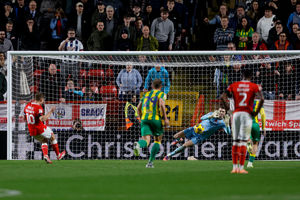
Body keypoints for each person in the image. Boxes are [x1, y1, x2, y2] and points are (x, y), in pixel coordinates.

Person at [221, 68, 264, 174]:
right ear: (251, 77)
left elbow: (223, 96)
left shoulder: (234, 85)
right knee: (244, 142)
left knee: (235, 142)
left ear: (242, 75)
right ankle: (241, 168)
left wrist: (228, 109)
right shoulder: (254, 86)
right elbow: (262, 99)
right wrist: (256, 112)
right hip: (247, 115)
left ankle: (234, 168)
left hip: (236, 114)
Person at [163, 107, 230, 161]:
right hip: (194, 129)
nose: (221, 113)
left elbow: (228, 133)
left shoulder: (223, 123)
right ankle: (179, 139)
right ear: (217, 111)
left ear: (225, 114)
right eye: (220, 111)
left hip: (199, 137)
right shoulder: (211, 114)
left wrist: (227, 125)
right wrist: (211, 116)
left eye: (223, 112)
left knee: (184, 146)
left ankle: (168, 156)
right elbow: (201, 118)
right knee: (176, 136)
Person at [133, 79, 169, 168]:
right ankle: (150, 162)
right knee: (157, 140)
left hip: (145, 119)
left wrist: (141, 118)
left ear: (152, 86)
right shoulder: (162, 94)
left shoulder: (146, 94)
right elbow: (161, 104)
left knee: (146, 140)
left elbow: (138, 108)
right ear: (161, 87)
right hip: (155, 119)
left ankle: (138, 144)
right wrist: (165, 118)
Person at [24, 92, 66, 164]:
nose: (43, 101)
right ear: (40, 99)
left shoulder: (27, 106)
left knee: (44, 140)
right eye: (43, 100)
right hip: (40, 128)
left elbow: (24, 118)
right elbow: (43, 119)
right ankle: (58, 155)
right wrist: (51, 111)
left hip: (32, 131)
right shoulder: (39, 108)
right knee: (52, 136)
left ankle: (46, 156)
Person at [247, 99, 266, 168]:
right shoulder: (259, 103)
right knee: (255, 143)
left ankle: (248, 145)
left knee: (247, 140)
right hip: (255, 125)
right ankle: (250, 163)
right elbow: (263, 115)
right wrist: (264, 127)